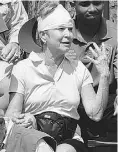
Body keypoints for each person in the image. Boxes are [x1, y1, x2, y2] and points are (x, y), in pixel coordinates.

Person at [5, 1, 110, 152]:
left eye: (69, 29)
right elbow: (11, 116)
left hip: (68, 137)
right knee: (43, 148)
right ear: (43, 35)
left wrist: (104, 75)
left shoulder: (78, 69)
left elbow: (96, 113)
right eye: (61, 29)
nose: (68, 34)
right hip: (33, 135)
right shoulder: (23, 68)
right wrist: (23, 119)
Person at [67, 0, 117, 141]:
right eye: (85, 4)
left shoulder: (115, 34)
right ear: (72, 4)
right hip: (70, 100)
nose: (92, 8)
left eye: (97, 3)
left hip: (106, 99)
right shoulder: (64, 32)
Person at [0, 0, 28, 111]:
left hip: (4, 61)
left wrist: (14, 43)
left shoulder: (11, 2)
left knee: (11, 87)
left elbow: (18, 24)